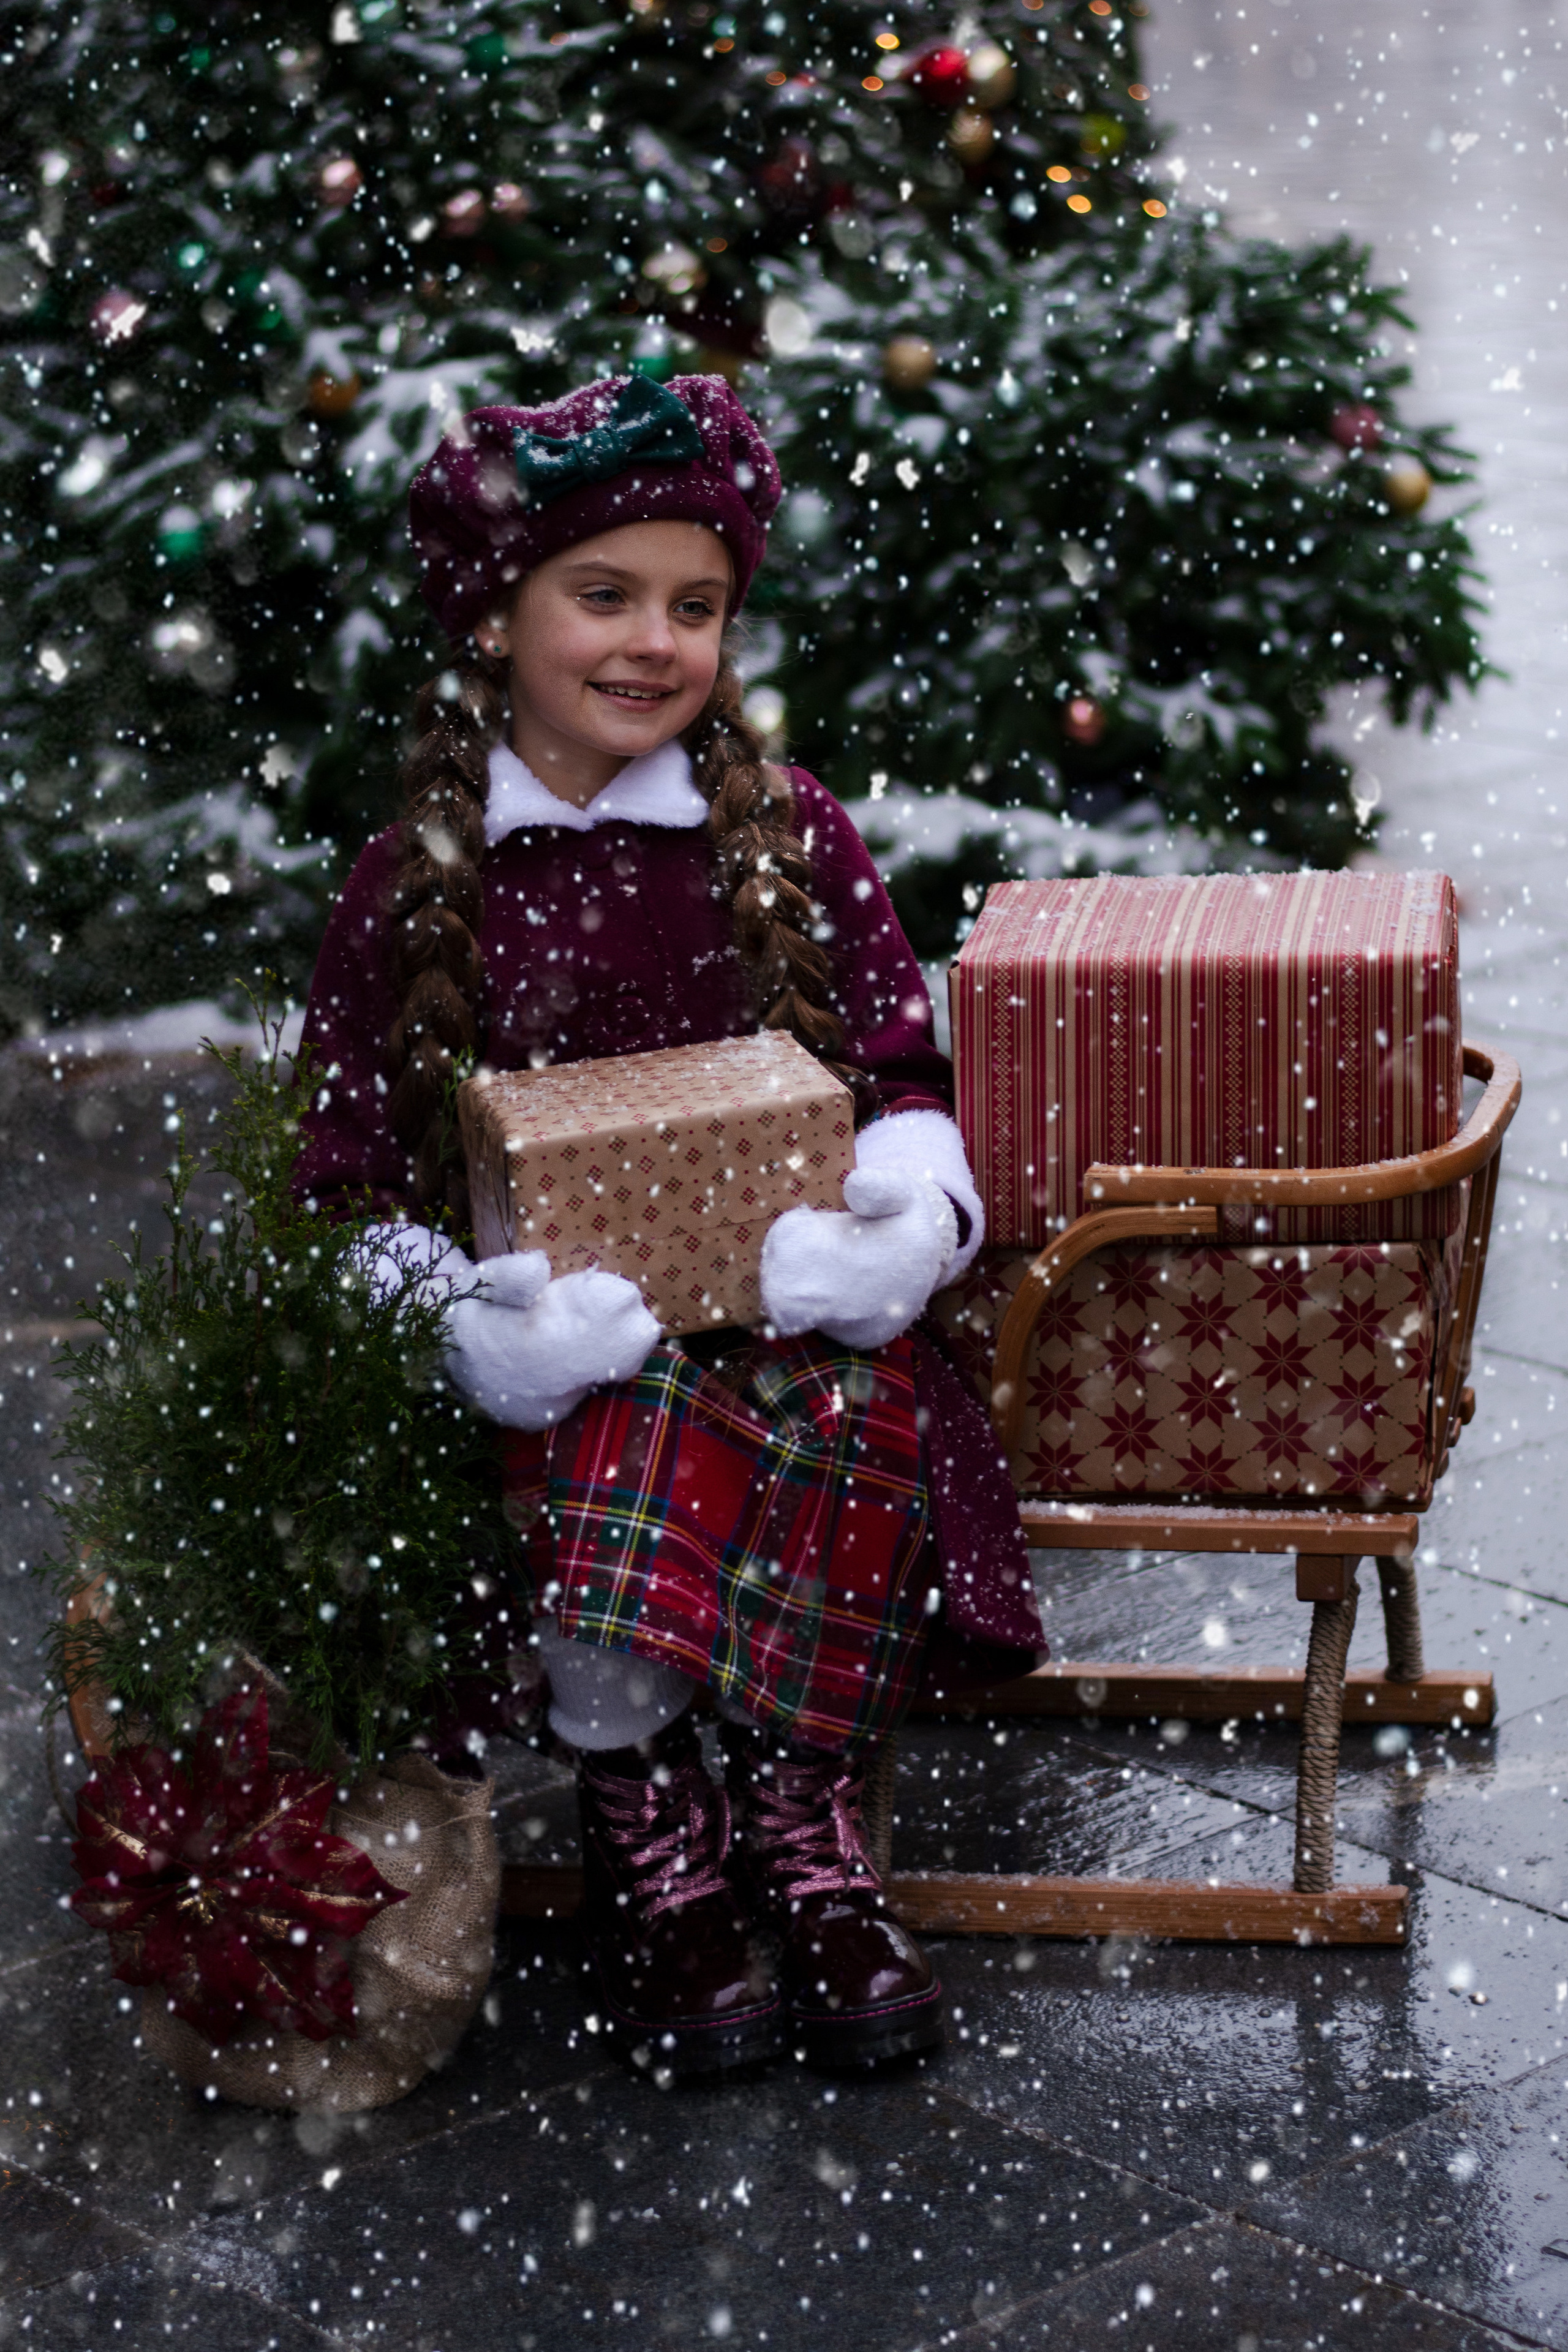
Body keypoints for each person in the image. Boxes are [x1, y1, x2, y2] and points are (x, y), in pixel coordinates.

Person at [295, 372, 1043, 2079]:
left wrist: (904, 1225)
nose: (653, 644)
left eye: (695, 606)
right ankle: (662, 1846)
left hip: (792, 1319)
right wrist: (462, 1323)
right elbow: (345, 1177)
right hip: (578, 1354)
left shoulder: (786, 838)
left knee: (855, 1424)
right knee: (617, 1440)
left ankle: (803, 1823)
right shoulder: (412, 886)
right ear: (497, 614)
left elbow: (901, 1065)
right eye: (604, 594)